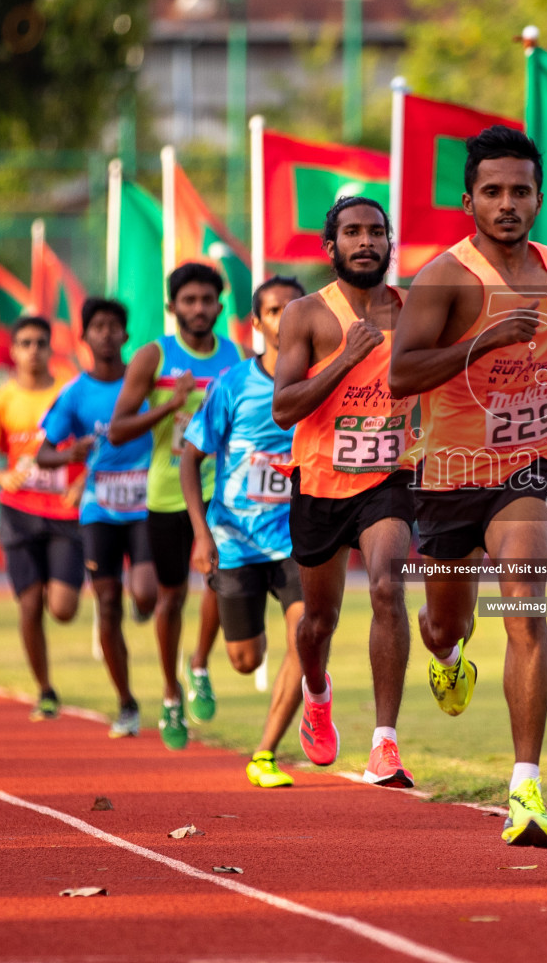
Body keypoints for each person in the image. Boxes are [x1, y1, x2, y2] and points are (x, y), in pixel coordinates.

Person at [389, 126, 547, 846]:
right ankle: (451, 658)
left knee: (525, 604)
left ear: (539, 198)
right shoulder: (444, 279)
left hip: (532, 463)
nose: (508, 203)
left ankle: (526, 789)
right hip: (452, 474)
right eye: (493, 191)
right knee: (444, 624)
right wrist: (478, 345)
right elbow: (401, 375)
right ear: (469, 200)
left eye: (520, 191)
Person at [273, 199, 416, 788]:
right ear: (330, 248)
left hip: (391, 475)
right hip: (320, 481)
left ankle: (385, 743)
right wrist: (347, 357)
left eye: (376, 232)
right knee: (318, 623)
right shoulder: (306, 315)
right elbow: (285, 408)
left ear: (389, 243)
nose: (366, 241)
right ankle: (316, 689)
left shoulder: (416, 311)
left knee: (387, 585)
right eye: (352, 232)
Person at [109, 263, 240, 749]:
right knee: (171, 599)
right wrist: (171, 402)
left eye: (207, 300)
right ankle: (169, 693)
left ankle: (200, 663)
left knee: (224, 583)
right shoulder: (153, 357)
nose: (199, 308)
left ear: (220, 307)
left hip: (220, 491)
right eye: (189, 300)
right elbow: (119, 429)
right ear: (173, 307)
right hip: (166, 494)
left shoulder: (234, 358)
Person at [183, 278, 306, 788]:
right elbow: (192, 458)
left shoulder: (322, 380)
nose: (284, 318)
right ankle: (199, 660)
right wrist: (201, 534)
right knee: (245, 659)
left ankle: (265, 753)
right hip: (234, 537)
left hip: (300, 538)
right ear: (257, 323)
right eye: (273, 310)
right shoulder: (233, 384)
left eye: (293, 309)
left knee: (307, 638)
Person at [37, 298, 158, 738]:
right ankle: (126, 701)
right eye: (97, 327)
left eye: (114, 326)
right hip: (98, 508)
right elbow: (43, 452)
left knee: (144, 593)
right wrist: (68, 453)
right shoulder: (74, 393)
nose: (106, 334)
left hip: (146, 502)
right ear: (84, 337)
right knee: (107, 602)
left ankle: (145, 607)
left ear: (126, 336)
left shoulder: (145, 382)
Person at [0, 316, 86, 721]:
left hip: (66, 512)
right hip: (18, 512)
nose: (33, 350)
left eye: (40, 342)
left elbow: (100, 442)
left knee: (64, 607)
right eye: (24, 343)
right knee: (29, 604)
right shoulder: (1, 401)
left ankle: (47, 685)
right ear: (14, 351)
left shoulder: (69, 392)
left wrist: (84, 481)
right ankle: (45, 690)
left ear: (49, 348)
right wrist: (2, 475)